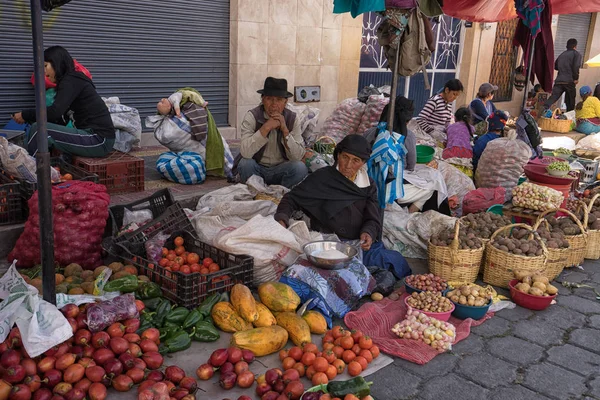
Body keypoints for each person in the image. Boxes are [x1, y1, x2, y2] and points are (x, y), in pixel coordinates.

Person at [274, 134, 411, 279]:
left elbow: (372, 218)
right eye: (345, 157)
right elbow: (291, 198)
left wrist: (368, 233)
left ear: (363, 162)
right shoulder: (322, 178)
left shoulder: (368, 185)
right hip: (326, 243)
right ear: (338, 155)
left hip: (354, 245)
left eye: (355, 161)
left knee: (394, 261)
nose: (348, 165)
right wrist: (282, 220)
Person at [12, 46, 115, 157]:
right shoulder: (69, 81)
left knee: (39, 129)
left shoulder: (71, 80)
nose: (44, 71)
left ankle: (32, 170)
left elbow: (54, 112)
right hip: (91, 136)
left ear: (57, 64)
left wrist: (25, 114)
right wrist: (31, 118)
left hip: (98, 139)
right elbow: (59, 117)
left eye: (46, 66)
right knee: (39, 127)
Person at [237, 77, 307, 188]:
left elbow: (298, 156)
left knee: (300, 168)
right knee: (245, 164)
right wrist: (266, 128)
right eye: (269, 99)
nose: (274, 104)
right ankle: (257, 193)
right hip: (257, 167)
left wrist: (285, 131)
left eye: (279, 100)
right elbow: (245, 152)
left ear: (285, 102)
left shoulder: (292, 119)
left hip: (281, 169)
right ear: (263, 100)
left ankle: (281, 196)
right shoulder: (252, 116)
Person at [409, 79, 464, 143]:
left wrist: (451, 132)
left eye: (457, 96)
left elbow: (447, 123)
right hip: (428, 134)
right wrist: (432, 132)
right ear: (447, 90)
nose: (455, 98)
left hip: (439, 134)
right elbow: (420, 119)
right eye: (454, 94)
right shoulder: (434, 101)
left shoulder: (449, 104)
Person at [544, 38, 582, 112]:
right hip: (569, 81)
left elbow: (555, 66)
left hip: (559, 81)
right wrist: (576, 78)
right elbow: (576, 66)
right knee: (570, 102)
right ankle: (568, 119)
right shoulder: (576, 54)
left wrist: (563, 69)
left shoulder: (562, 55)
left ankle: (543, 110)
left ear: (567, 46)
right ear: (575, 46)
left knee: (552, 98)